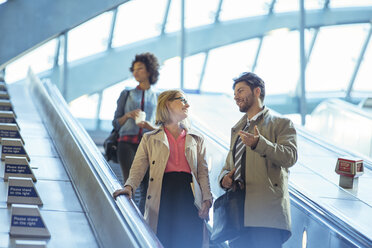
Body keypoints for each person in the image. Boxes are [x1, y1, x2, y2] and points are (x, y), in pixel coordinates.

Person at [113, 90, 213, 248]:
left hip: (190, 198)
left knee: (190, 241)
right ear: (167, 104)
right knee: (164, 240)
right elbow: (138, 166)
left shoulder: (197, 138)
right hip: (163, 195)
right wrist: (129, 187)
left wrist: (207, 200)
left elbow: (203, 173)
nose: (187, 105)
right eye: (182, 100)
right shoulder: (150, 138)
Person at [219, 72, 298, 248]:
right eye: (234, 93)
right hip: (238, 215)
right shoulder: (237, 129)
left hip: (267, 216)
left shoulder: (281, 124)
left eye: (240, 91)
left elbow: (290, 156)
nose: (236, 97)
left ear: (257, 91)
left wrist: (259, 143)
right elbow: (228, 165)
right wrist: (224, 179)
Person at [112, 52, 159, 214]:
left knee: (147, 187)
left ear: (149, 71)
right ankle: (129, 215)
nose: (136, 72)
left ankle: (141, 220)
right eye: (134, 69)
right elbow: (116, 122)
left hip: (149, 145)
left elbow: (161, 126)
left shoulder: (158, 97)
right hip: (126, 143)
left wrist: (149, 125)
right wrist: (128, 115)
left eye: (140, 68)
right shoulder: (127, 94)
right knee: (130, 182)